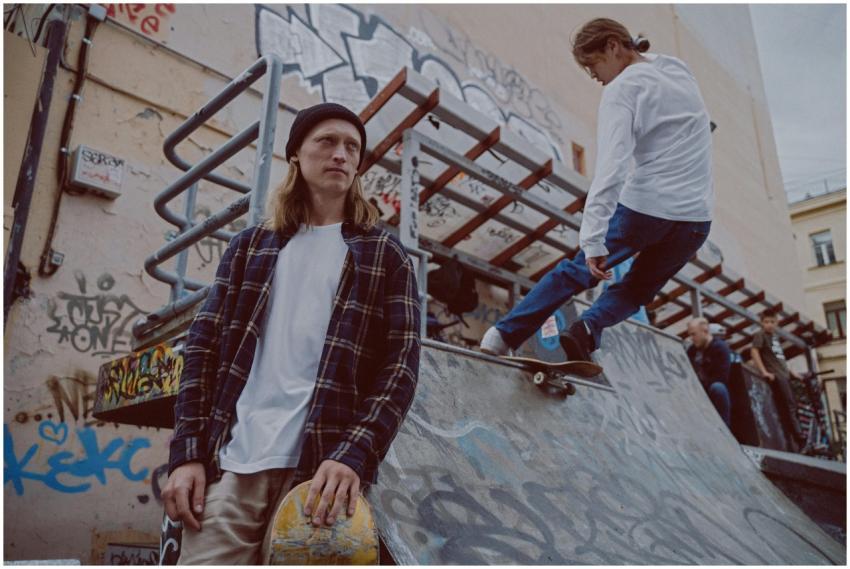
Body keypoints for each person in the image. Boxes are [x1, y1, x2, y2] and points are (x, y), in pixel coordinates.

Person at [162, 103, 421, 564]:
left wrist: (354, 455)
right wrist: (187, 454)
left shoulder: (384, 254)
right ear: (296, 154)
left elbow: (400, 368)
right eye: (327, 141)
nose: (341, 154)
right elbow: (202, 348)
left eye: (352, 147)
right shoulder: (249, 249)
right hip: (234, 464)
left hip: (324, 474)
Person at [481, 18, 713, 361]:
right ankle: (588, 328)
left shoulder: (622, 90)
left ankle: (501, 336)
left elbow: (612, 166)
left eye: (592, 66)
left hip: (646, 209)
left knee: (578, 271)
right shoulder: (677, 69)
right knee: (636, 291)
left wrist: (591, 238)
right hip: (695, 222)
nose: (594, 77)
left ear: (612, 46)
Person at [750, 312, 806, 451]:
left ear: (776, 323)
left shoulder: (775, 338)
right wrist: (764, 372)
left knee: (791, 407)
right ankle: (800, 438)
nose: (769, 324)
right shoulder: (760, 335)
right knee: (789, 407)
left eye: (772, 321)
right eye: (766, 321)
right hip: (776, 377)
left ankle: (795, 441)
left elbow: (780, 359)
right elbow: (754, 352)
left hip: (784, 375)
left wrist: (793, 373)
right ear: (762, 323)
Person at [686, 317, 732, 427]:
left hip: (710, 390)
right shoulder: (692, 350)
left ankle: (724, 428)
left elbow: (721, 377)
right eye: (690, 335)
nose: (691, 338)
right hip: (695, 391)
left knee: (718, 388)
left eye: (694, 334)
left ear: (705, 332)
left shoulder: (720, 348)